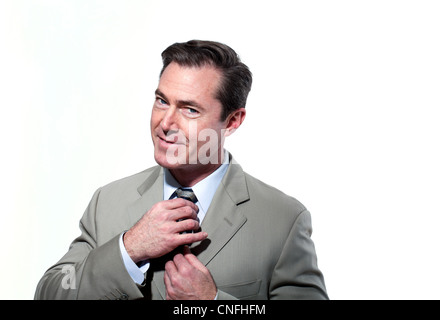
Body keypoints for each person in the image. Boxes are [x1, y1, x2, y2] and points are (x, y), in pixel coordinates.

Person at [34, 40, 328, 300]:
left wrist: (212, 302)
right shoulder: (108, 202)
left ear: (233, 120)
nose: (165, 123)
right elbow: (50, 293)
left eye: (190, 109)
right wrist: (129, 249)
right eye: (162, 101)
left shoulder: (284, 220)